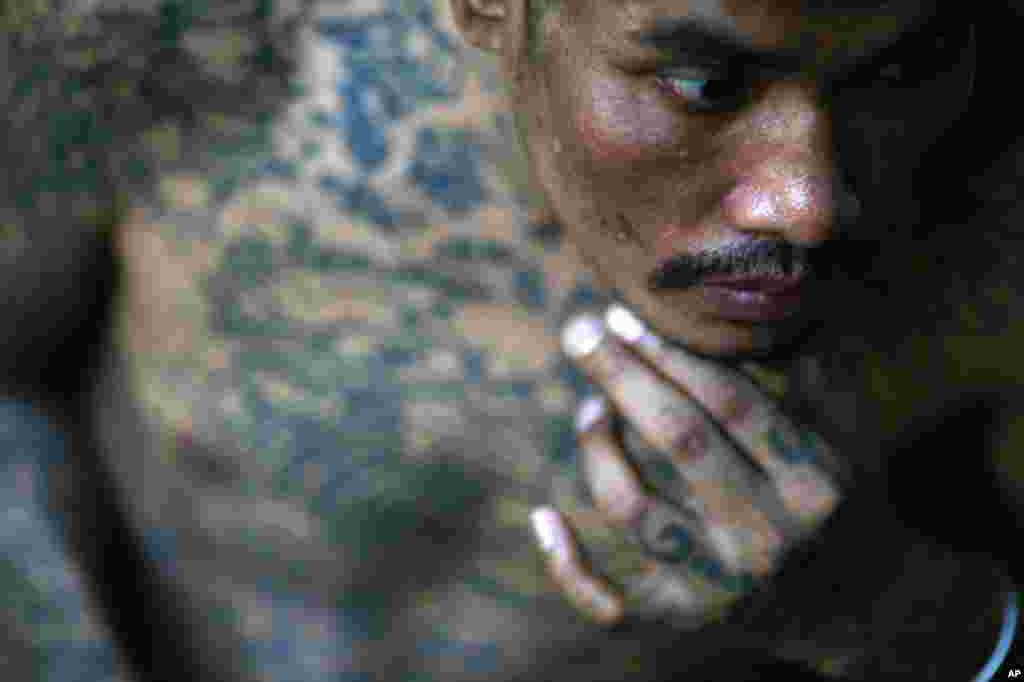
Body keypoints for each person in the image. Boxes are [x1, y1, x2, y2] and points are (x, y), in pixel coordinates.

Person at [1, 0, 1020, 679]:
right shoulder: (205, 46)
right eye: (704, 84)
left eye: (905, 65)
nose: (805, 204)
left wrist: (896, 610)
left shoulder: (996, 212)